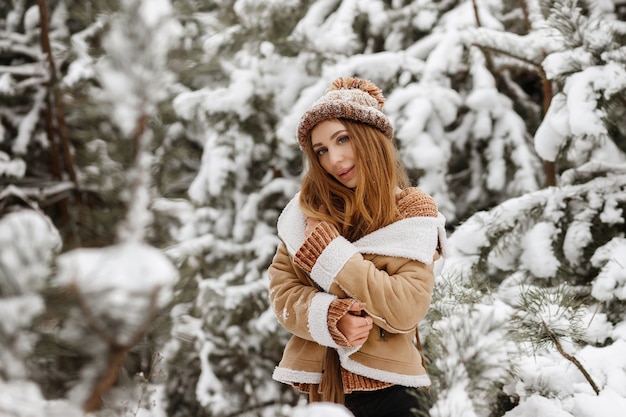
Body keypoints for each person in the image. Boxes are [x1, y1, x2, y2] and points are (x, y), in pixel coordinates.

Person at [268, 76, 447, 417]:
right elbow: (282, 293)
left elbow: (406, 306)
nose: (333, 159)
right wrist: (329, 318)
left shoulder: (411, 209)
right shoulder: (304, 214)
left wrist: (330, 253)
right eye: (321, 150)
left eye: (343, 139)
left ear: (369, 138)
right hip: (326, 394)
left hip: (395, 392)